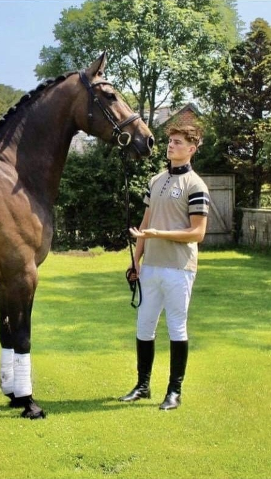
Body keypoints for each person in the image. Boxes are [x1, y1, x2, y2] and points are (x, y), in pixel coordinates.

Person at [119, 122, 210, 410]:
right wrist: (136, 262)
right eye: (170, 141)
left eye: (179, 142)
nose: (171, 145)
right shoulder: (156, 180)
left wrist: (161, 234)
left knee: (176, 328)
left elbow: (197, 233)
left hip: (179, 268)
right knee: (144, 327)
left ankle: (174, 392)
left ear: (192, 149)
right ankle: (142, 386)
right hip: (151, 268)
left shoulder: (196, 185)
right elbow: (145, 226)